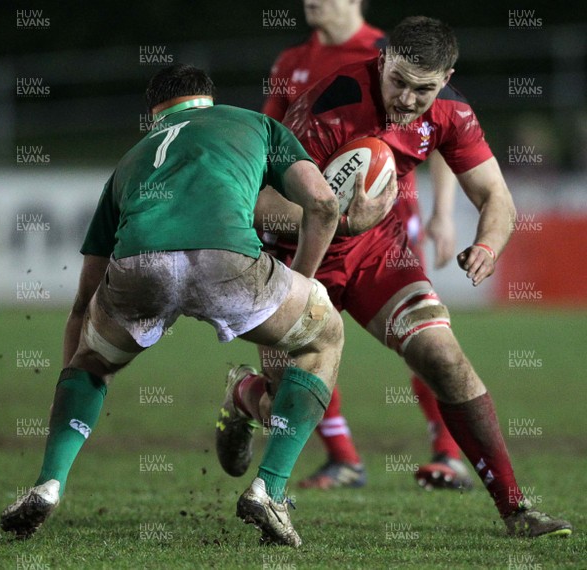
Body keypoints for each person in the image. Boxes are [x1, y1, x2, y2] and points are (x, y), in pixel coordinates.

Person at [215, 17, 572, 538]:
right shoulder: (330, 106)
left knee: (444, 357)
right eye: (398, 81)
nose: (407, 98)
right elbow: (260, 206)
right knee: (285, 401)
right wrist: (329, 217)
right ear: (383, 61)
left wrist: (490, 245)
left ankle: (517, 510)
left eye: (423, 88)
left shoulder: (451, 110)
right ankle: (244, 394)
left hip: (378, 252)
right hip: (297, 256)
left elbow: (497, 197)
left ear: (446, 77)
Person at [0, 64, 347, 548]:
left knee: (93, 362)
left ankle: (48, 485)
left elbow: (82, 301)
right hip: (226, 259)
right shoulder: (254, 123)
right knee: (322, 339)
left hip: (139, 266)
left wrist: (78, 377)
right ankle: (270, 489)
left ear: (154, 112)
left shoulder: (130, 160)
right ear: (208, 98)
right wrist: (299, 295)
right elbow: (324, 205)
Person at [260, 0, 467, 490]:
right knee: (305, 340)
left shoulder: (396, 53)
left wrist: (441, 212)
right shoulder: (290, 62)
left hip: (391, 222)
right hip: (312, 223)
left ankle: (448, 451)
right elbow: (267, 139)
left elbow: (441, 127)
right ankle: (343, 457)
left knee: (421, 334)